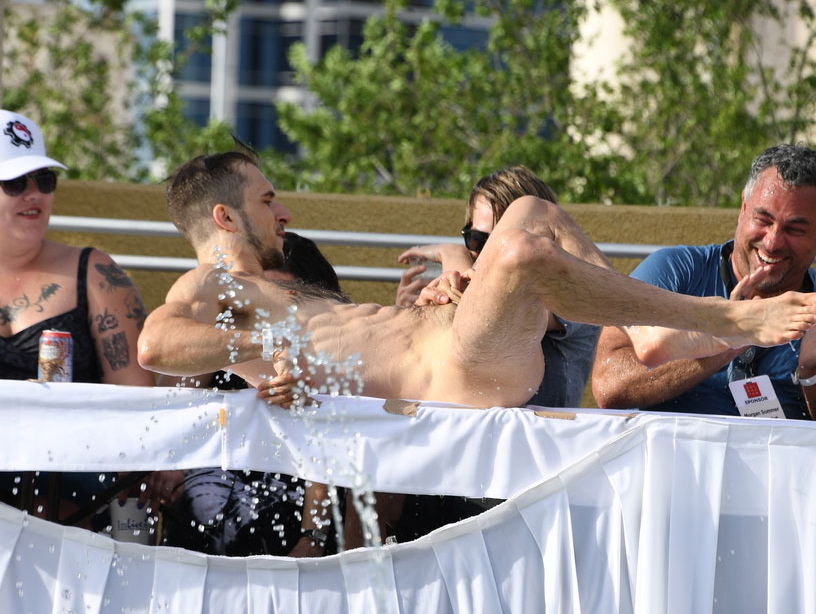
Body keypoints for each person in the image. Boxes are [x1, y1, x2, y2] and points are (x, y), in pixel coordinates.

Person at [138, 152, 816, 419]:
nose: (284, 212)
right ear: (223, 217)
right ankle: (719, 320)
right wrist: (267, 350)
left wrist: (452, 281)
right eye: (267, 200)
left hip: (465, 346)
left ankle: (655, 332)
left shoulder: (283, 284)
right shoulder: (212, 285)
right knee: (516, 247)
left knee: (532, 211)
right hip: (456, 372)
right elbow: (155, 344)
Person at [0, 108, 181, 521]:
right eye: (15, 182)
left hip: (68, 479)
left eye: (44, 180)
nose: (34, 194)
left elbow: (137, 402)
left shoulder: (93, 272)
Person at [591, 143, 816, 419]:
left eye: (794, 229)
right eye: (763, 219)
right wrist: (731, 337)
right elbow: (609, 385)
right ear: (743, 208)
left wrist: (810, 373)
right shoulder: (675, 271)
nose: (772, 242)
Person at [160, 231, 343, 557]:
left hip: (291, 534)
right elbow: (170, 405)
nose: (266, 311)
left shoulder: (327, 360)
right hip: (201, 537)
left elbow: (329, 450)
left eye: (281, 299)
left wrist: (312, 537)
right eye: (256, 296)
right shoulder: (227, 341)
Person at [395, 165, 599, 408]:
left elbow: (486, 310)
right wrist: (410, 321)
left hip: (538, 431)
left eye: (505, 244)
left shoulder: (573, 291)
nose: (489, 255)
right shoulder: (459, 280)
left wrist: (452, 254)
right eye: (478, 240)